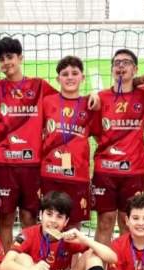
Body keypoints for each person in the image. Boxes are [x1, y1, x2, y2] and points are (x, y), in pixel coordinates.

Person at [0, 37, 58, 248]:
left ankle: (28, 262)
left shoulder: (39, 86)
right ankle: (5, 265)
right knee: (5, 218)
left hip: (32, 165)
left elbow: (64, 100)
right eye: (1, 59)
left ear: (20, 58)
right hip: (3, 165)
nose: (6, 62)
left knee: (30, 218)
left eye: (10, 57)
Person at [91, 49, 144, 245]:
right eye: (117, 63)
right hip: (105, 170)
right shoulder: (100, 98)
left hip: (134, 171)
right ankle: (101, 265)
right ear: (111, 69)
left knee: (129, 222)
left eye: (126, 62)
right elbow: (94, 131)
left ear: (135, 69)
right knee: (105, 222)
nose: (121, 66)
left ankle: (125, 263)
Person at [40, 56, 96, 229]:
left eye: (74, 73)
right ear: (58, 79)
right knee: (48, 224)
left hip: (77, 175)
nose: (70, 77)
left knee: (73, 226)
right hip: (50, 173)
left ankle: (73, 250)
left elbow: (101, 136)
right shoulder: (47, 102)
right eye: (65, 74)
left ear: (82, 77)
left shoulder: (90, 104)